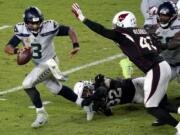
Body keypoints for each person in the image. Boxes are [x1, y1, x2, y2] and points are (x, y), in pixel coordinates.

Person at [71, 3, 180, 134]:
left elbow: (102, 30)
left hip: (155, 70)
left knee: (151, 107)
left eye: (117, 25)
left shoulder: (124, 34)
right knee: (161, 103)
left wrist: (83, 18)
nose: (115, 28)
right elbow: (158, 47)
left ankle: (178, 126)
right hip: (162, 66)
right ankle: (166, 118)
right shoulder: (141, 31)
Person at [4, 6, 93, 128]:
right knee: (56, 89)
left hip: (51, 63)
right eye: (32, 23)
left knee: (27, 84)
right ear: (26, 22)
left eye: (37, 22)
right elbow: (7, 47)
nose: (35, 26)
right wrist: (18, 50)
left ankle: (41, 113)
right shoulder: (21, 30)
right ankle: (86, 104)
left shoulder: (49, 27)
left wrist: (75, 45)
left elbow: (69, 30)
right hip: (39, 64)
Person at [74, 74, 180, 126]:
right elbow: (109, 113)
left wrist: (95, 97)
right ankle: (168, 116)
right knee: (156, 106)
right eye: (84, 95)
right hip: (135, 98)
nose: (87, 94)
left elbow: (112, 84)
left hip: (137, 84)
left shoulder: (99, 84)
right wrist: (102, 107)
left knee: (159, 105)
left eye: (85, 91)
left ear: (87, 85)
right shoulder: (95, 103)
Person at [153, 1, 180, 82]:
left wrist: (162, 45)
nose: (162, 18)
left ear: (172, 16)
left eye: (166, 16)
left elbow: (175, 43)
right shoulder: (154, 25)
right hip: (167, 63)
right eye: (161, 15)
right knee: (156, 82)